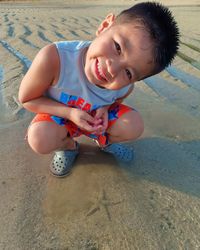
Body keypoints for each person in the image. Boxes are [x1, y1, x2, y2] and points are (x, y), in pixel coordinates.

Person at [18, 2, 179, 177]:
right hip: (59, 116)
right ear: (105, 26)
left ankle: (104, 141)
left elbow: (117, 99)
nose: (112, 69)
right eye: (117, 47)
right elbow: (27, 98)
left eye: (128, 72)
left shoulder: (125, 86)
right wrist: (70, 113)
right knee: (39, 138)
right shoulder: (55, 58)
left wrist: (104, 108)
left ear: (136, 79)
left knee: (134, 124)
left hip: (94, 122)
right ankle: (68, 147)